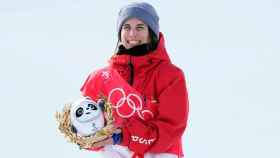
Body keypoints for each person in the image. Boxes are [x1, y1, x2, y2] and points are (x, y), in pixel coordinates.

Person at [80, 2, 189, 158]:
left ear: (151, 32)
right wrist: (81, 130)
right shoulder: (100, 79)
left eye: (140, 27)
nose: (132, 34)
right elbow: (91, 135)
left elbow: (169, 132)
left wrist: (123, 136)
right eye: (126, 27)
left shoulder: (170, 76)